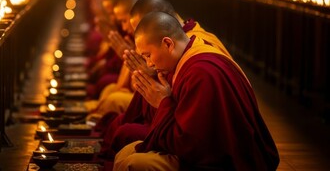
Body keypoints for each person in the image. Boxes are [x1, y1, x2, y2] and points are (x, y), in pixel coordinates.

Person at [113, 11, 279, 170]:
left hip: (224, 163)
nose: (148, 63)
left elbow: (191, 146)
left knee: (133, 163)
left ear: (168, 44)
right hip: (202, 153)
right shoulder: (187, 55)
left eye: (148, 55)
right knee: (126, 153)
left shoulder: (200, 73)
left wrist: (163, 102)